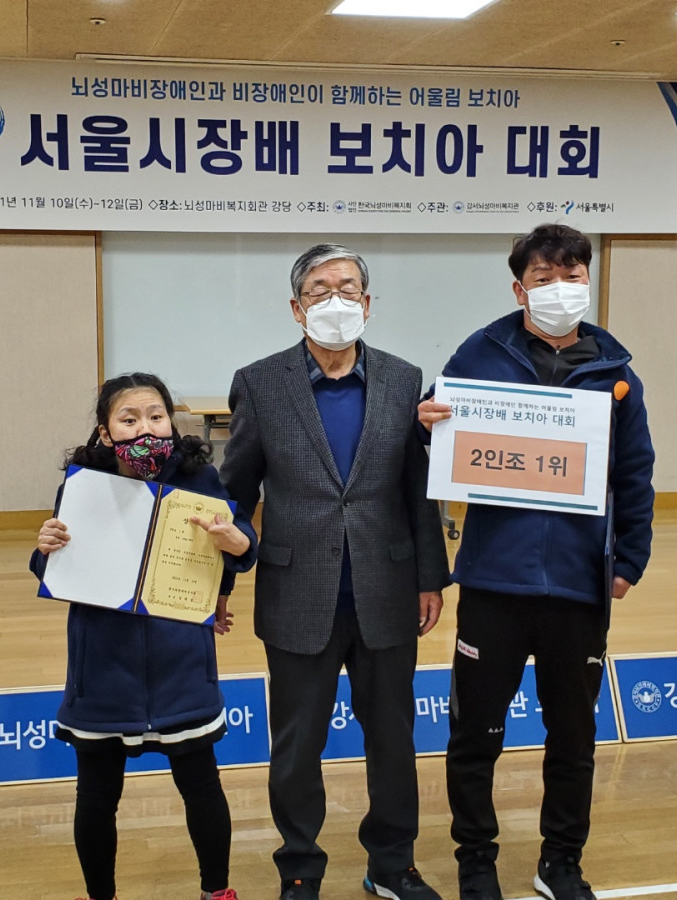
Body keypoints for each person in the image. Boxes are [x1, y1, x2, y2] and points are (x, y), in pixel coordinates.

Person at [417, 224, 655, 900]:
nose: (560, 289)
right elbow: (437, 435)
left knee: (573, 737)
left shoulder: (616, 374)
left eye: (572, 275)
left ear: (588, 280)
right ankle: (475, 860)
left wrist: (629, 557)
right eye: (544, 278)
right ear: (520, 289)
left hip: (579, 586)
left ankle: (561, 863)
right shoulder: (480, 354)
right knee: (475, 735)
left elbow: (635, 472)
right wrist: (424, 422)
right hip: (494, 581)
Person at [220, 244, 451, 900]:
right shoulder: (260, 383)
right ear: (297, 309)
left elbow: (418, 491)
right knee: (297, 747)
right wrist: (217, 584)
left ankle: (392, 864)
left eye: (348, 288)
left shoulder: (404, 380)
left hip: (387, 590)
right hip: (297, 594)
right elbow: (233, 495)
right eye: (319, 291)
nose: (335, 301)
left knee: (393, 740)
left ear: (368, 303)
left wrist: (430, 578)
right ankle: (299, 866)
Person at [30, 372, 258, 900]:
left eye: (156, 416)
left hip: (182, 665)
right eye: (129, 419)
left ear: (171, 423)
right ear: (105, 431)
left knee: (202, 787)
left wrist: (239, 543)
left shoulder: (200, 479)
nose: (146, 428)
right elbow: (52, 570)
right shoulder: (83, 485)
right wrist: (44, 548)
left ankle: (217, 891)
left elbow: (243, 546)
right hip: (101, 669)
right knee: (96, 797)